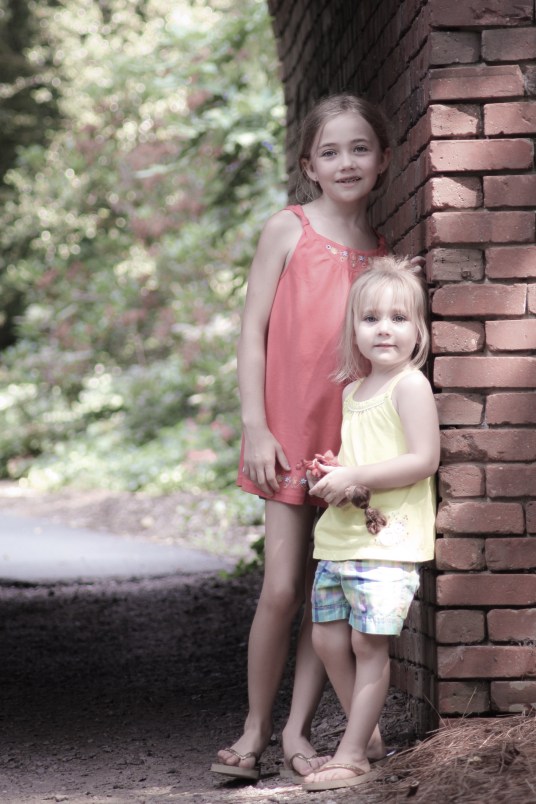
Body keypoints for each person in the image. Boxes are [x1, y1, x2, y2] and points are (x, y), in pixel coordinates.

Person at [210, 93, 393, 783]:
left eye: (359, 148)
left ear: (383, 159)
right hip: (286, 434)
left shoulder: (383, 255)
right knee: (283, 587)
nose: (346, 162)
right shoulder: (287, 230)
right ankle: (255, 727)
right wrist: (255, 425)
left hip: (348, 449)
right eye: (331, 151)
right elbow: (252, 332)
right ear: (308, 164)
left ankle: (296, 731)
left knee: (330, 594)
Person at [301, 255, 439, 792]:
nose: (385, 328)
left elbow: (423, 459)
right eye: (371, 318)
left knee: (367, 646)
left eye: (399, 318)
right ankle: (371, 734)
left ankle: (354, 753)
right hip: (339, 537)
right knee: (328, 640)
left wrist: (356, 472)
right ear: (353, 331)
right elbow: (365, 460)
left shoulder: (410, 386)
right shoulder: (352, 393)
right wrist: (338, 473)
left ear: (418, 330)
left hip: (387, 542)